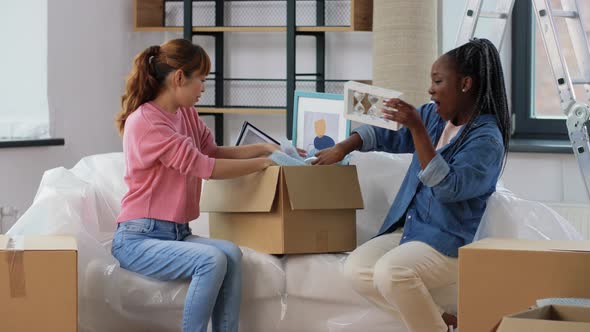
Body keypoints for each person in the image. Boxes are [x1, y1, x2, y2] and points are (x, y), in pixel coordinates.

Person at [313, 38, 510, 332]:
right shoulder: (433, 115)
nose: (430, 89)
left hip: (450, 242)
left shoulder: (486, 140)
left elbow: (448, 188)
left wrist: (417, 127)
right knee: (356, 270)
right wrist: (344, 146)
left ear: (465, 84)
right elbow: (387, 133)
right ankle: (440, 319)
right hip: (411, 229)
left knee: (391, 272)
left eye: (438, 81)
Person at [112, 38, 278, 332]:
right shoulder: (147, 122)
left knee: (231, 254)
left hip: (177, 234)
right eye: (201, 80)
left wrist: (266, 149)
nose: (203, 88)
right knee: (212, 260)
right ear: (179, 78)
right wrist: (261, 165)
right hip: (138, 239)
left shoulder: (185, 113)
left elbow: (211, 152)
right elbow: (204, 167)